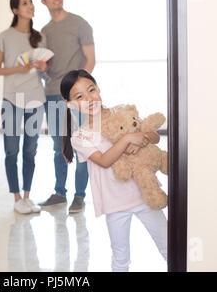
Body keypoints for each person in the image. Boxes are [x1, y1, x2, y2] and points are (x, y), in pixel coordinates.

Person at [61, 69, 167, 272]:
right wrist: (127, 139)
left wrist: (142, 139)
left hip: (145, 195)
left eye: (91, 90)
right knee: (120, 258)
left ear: (98, 88)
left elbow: (154, 136)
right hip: (115, 205)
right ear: (70, 104)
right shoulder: (80, 137)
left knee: (168, 245)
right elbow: (104, 161)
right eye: (79, 97)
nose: (89, 98)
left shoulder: (121, 111)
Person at [39, 0, 96, 213]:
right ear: (43, 1)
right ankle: (59, 193)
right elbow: (45, 66)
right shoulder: (44, 32)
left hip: (77, 98)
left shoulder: (79, 23)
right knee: (58, 147)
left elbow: (91, 60)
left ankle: (79, 196)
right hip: (52, 95)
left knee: (81, 145)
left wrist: (79, 93)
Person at [0, 0, 48, 214]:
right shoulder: (4, 36)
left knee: (30, 150)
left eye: (31, 2)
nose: (31, 6)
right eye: (25, 3)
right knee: (11, 150)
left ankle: (27, 197)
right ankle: (16, 198)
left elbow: (45, 72)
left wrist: (44, 69)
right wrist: (19, 68)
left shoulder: (40, 37)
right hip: (12, 99)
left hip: (36, 98)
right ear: (15, 10)